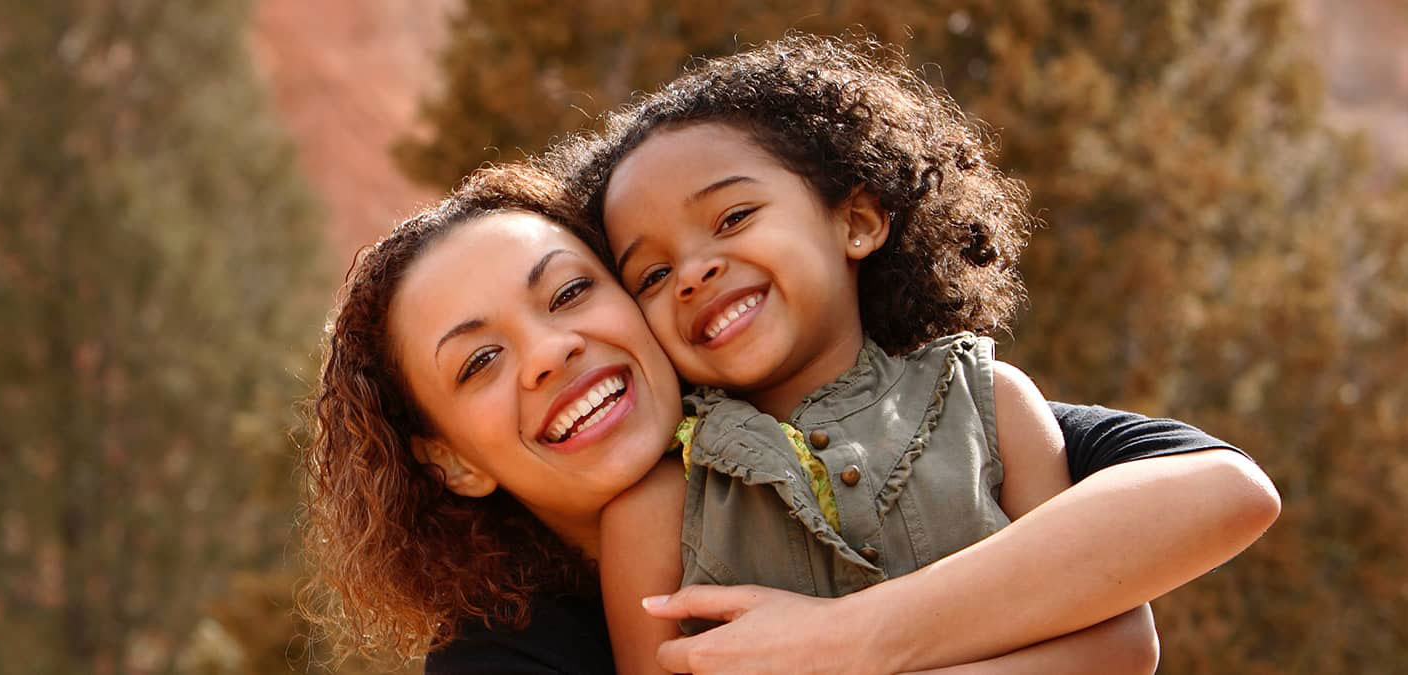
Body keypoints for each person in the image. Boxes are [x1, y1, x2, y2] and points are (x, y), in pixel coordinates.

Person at [299, 163, 1278, 673]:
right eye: (478, 360)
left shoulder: (919, 429)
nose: (550, 350)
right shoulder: (504, 659)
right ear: (449, 462)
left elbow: (1214, 500)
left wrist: (848, 642)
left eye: (566, 295)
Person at [564, 35, 1120, 673]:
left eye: (732, 217)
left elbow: (1120, 644)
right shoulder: (654, 510)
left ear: (857, 221)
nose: (691, 274)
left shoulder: (989, 402)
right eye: (653, 276)